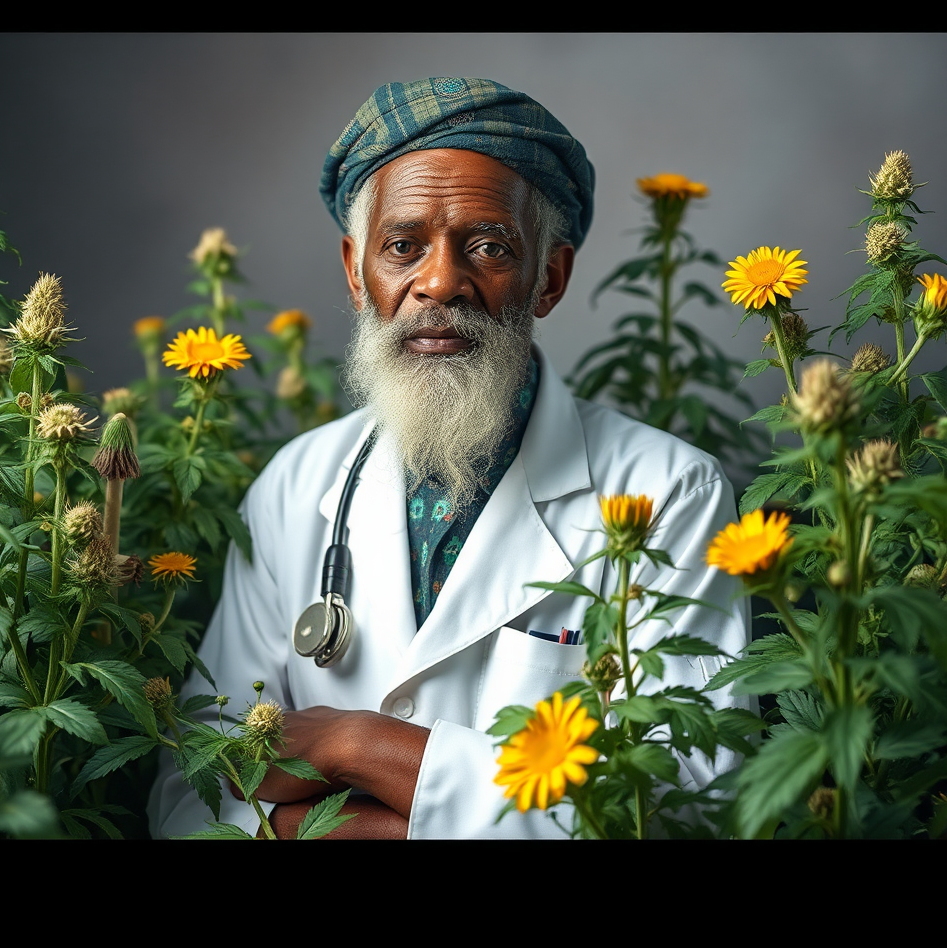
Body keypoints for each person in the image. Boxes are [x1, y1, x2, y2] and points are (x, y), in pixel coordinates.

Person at [147, 77, 751, 839]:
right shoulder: (294, 488)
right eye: (403, 246)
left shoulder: (669, 492)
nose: (438, 282)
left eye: (490, 247)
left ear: (548, 279)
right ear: (355, 270)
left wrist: (356, 745)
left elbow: (693, 805)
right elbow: (194, 788)